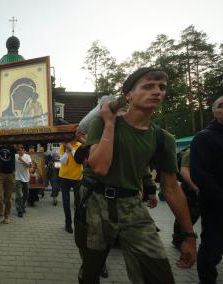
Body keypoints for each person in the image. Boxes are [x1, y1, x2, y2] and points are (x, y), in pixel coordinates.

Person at [76, 68, 196, 284]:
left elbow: (171, 187)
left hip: (132, 205)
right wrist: (110, 123)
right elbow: (100, 167)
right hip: (95, 202)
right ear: (128, 95)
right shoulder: (102, 123)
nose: (157, 91)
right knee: (91, 271)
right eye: (148, 86)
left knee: (158, 273)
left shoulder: (163, 138)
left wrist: (189, 235)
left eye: (162, 87)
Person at [190, 95, 223, 284]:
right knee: (212, 250)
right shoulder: (204, 137)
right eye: (221, 106)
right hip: (216, 205)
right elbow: (200, 174)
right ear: (215, 112)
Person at [171, 148, 200, 250]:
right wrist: (194, 187)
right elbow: (183, 171)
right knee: (187, 214)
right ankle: (178, 239)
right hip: (189, 188)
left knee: (192, 214)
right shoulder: (191, 151)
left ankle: (179, 238)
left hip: (196, 188)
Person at [59, 133, 84, 234]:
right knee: (66, 202)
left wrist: (72, 150)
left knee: (78, 203)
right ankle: (68, 224)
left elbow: (79, 161)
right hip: (64, 177)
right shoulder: (63, 146)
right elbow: (63, 161)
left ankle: (78, 224)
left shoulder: (80, 146)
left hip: (77, 177)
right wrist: (67, 151)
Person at [0, 144, 16, 226]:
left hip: (10, 174)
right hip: (0, 174)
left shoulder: (12, 147)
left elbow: (19, 146)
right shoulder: (0, 146)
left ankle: (6, 215)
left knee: (8, 197)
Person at [14, 145, 32, 217]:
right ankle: (19, 210)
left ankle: (22, 205)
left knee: (26, 194)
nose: (19, 152)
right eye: (18, 151)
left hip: (26, 178)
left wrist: (22, 160)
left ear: (23, 150)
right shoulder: (15, 156)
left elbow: (30, 166)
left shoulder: (27, 156)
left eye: (21, 150)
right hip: (17, 178)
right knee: (19, 194)